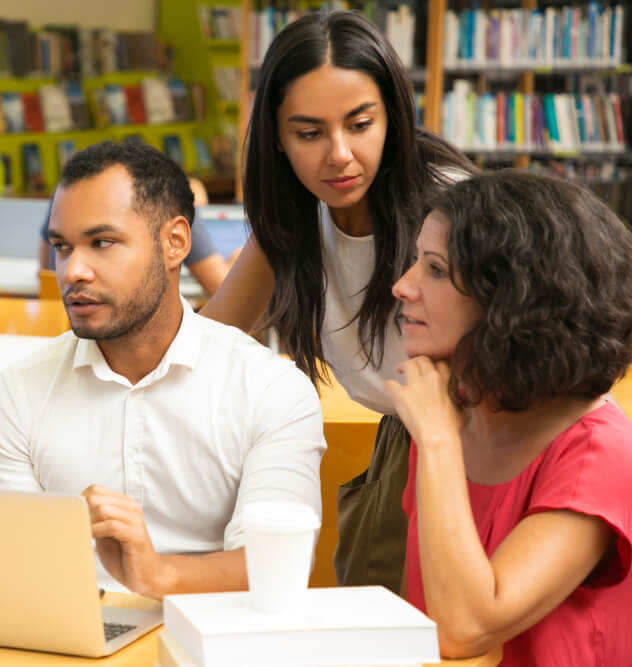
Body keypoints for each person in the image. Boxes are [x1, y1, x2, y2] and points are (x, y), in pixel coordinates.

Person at [198, 9, 478, 592]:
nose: (340, 155)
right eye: (309, 133)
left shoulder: (453, 208)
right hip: (403, 439)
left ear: (393, 120)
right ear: (275, 137)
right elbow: (208, 344)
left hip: (486, 443)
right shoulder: (292, 221)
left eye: (360, 124)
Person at [0, 141, 324, 599]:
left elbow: (277, 566)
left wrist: (156, 574)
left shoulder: (270, 390)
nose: (72, 270)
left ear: (174, 243)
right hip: (65, 642)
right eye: (62, 247)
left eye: (102, 243)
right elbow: (6, 564)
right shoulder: (17, 391)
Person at [387, 171, 632, 665]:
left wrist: (436, 440)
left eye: (434, 269)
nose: (401, 286)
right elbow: (423, 618)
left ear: (513, 298)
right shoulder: (454, 407)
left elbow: (463, 628)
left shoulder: (601, 454)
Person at [38, 176, 232, 296]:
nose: (73, 273)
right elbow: (223, 292)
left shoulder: (67, 194)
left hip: (63, 326)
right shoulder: (172, 202)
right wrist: (235, 265)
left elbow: (45, 268)